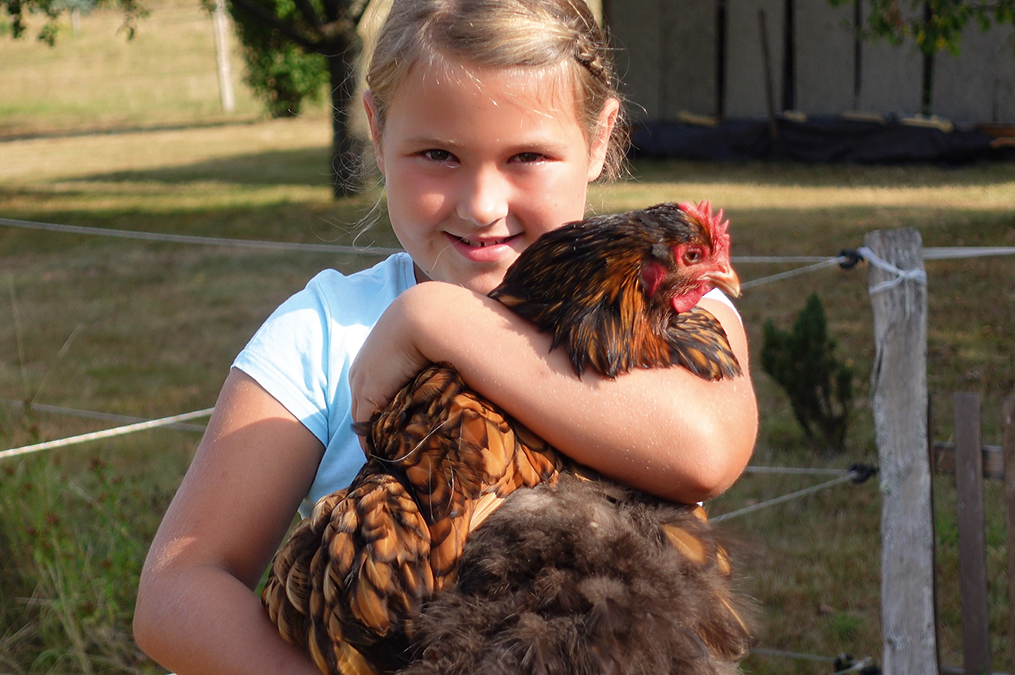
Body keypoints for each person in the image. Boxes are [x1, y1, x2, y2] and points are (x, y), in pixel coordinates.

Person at [133, 0, 758, 672]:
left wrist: (440, 321)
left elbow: (705, 450)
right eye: (438, 154)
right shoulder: (323, 332)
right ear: (376, 129)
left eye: (527, 155)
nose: (481, 204)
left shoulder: (664, 305)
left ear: (601, 137)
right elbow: (177, 589)